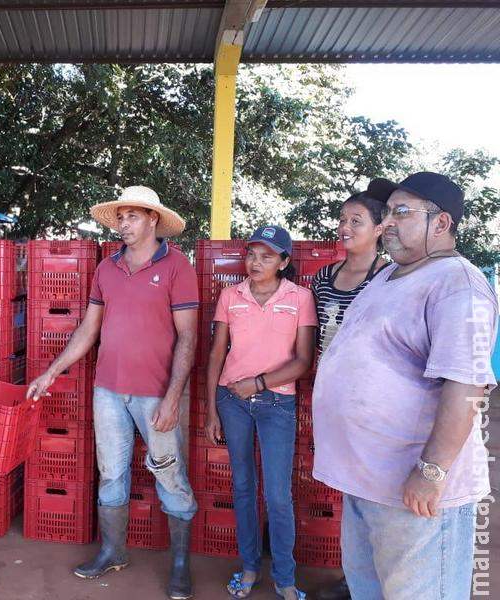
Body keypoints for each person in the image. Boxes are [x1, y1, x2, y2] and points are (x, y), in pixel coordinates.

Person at [312, 172, 497, 599]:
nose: (388, 222)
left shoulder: (458, 284)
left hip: (415, 494)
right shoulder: (389, 275)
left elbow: (467, 385)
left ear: (442, 223)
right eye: (387, 212)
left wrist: (431, 472)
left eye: (401, 212)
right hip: (368, 482)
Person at [27, 185, 198, 600]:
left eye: (133, 216)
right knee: (111, 473)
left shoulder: (177, 266)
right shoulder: (107, 268)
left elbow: (188, 337)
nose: (123, 224)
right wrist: (52, 371)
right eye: (120, 217)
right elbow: (89, 328)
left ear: (153, 219)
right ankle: (112, 551)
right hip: (108, 392)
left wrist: (173, 397)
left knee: (169, 474)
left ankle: (179, 563)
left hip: (156, 393)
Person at [204, 226, 317, 600]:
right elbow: (217, 354)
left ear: (284, 262)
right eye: (252, 254)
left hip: (276, 405)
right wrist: (211, 411)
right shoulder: (229, 295)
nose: (256, 262)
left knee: (278, 495)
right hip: (231, 401)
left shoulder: (299, 298)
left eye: (267, 256)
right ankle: (250, 567)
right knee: (242, 487)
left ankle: (285, 578)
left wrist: (260, 383)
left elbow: (303, 360)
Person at [311, 192, 389, 600]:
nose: (345, 227)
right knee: (348, 490)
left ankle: (377, 578)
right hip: (331, 395)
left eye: (357, 220)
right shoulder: (323, 277)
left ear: (380, 228)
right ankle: (355, 578)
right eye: (343, 218)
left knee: (374, 490)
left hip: (373, 399)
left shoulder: (390, 278)